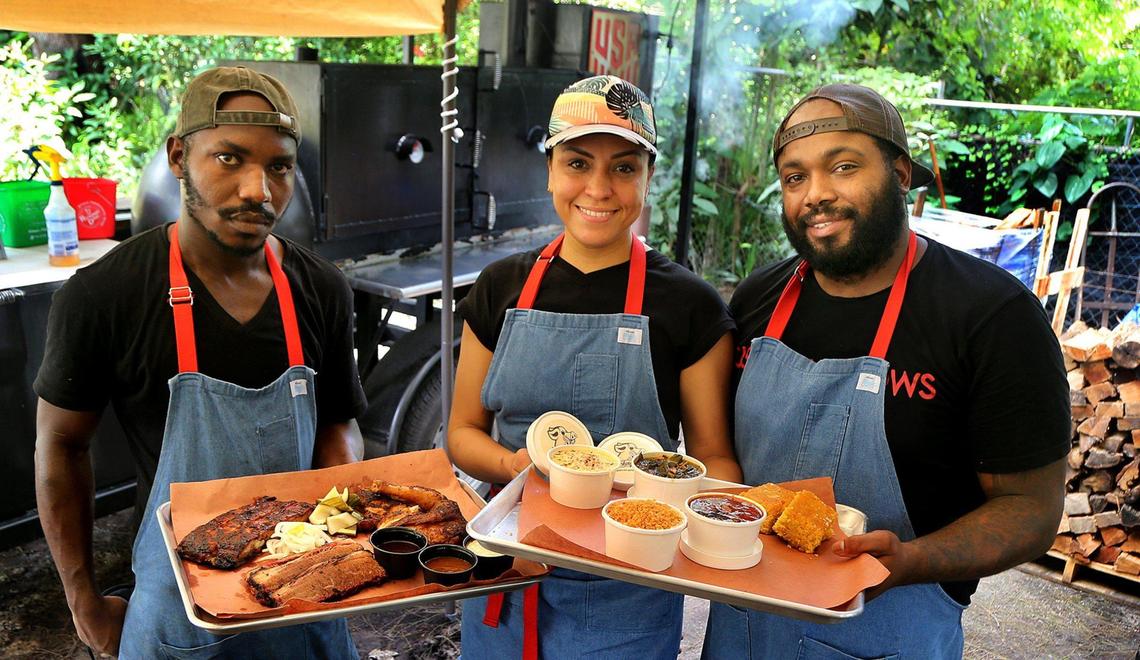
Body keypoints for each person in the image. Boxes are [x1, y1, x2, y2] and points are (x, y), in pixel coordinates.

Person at [703, 84, 1069, 658]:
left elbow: (1032, 511)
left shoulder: (991, 316)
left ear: (899, 174)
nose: (816, 195)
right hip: (739, 631)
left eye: (843, 167)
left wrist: (911, 560)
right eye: (795, 177)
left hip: (889, 635)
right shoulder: (758, 300)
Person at [34, 66, 367, 658]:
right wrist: (83, 602)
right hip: (177, 604)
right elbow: (61, 446)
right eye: (229, 159)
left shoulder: (321, 289)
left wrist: (339, 532)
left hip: (305, 589)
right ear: (179, 157)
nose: (257, 191)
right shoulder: (103, 295)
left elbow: (337, 424)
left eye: (279, 167)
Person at [448, 75, 742, 659]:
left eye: (624, 167)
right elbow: (461, 432)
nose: (599, 188)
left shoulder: (690, 305)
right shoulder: (500, 287)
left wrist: (685, 517)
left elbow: (714, 459)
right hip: (507, 564)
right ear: (550, 171)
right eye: (578, 163)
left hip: (628, 586)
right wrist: (516, 467)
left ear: (648, 177)